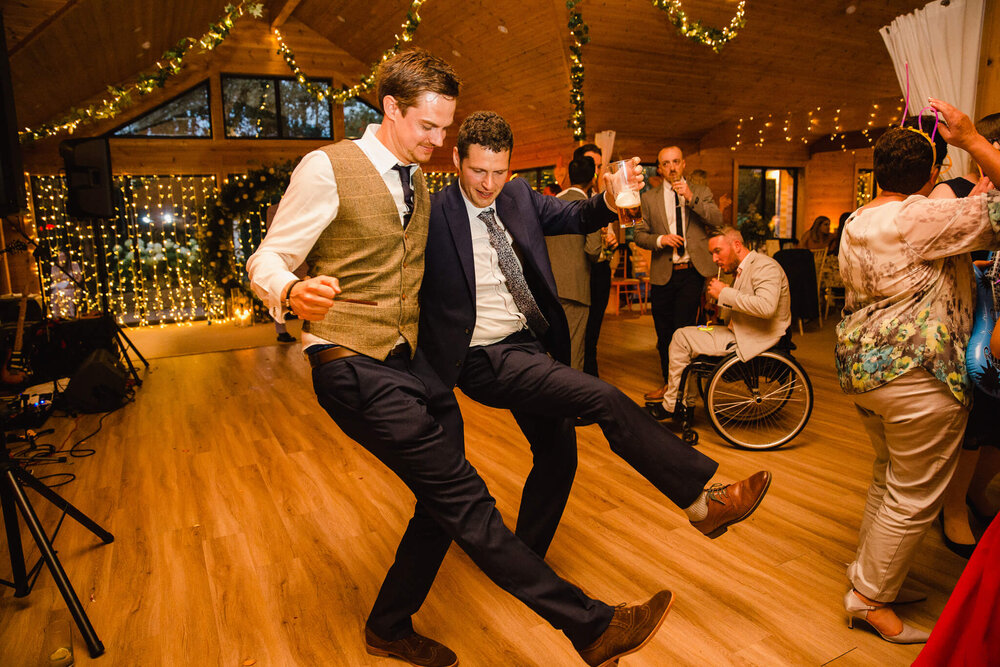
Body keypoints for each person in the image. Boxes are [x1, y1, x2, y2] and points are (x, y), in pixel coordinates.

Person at [247, 50, 672, 667]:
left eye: (445, 128)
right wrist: (289, 289)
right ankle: (594, 627)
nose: (438, 139)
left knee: (439, 504)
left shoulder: (419, 179)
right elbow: (268, 257)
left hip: (410, 367)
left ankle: (389, 626)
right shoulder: (328, 167)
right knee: (466, 498)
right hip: (351, 361)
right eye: (428, 125)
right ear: (391, 109)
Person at [419, 111, 772, 568]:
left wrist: (608, 195)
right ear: (456, 160)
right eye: (478, 171)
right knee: (603, 397)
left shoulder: (518, 195)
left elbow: (577, 214)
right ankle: (701, 503)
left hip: (528, 344)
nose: (489, 184)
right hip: (481, 356)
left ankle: (523, 559)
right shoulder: (432, 213)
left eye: (500, 171)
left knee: (558, 453)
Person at [835, 99, 1000, 644]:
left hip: (864, 374)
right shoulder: (921, 216)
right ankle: (870, 599)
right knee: (913, 494)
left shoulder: (857, 218)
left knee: (888, 480)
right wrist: (975, 142)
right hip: (916, 376)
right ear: (930, 176)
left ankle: (870, 579)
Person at [927, 112, 1000, 558]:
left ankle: (977, 493)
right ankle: (952, 508)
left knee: (997, 427)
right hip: (965, 321)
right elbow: (932, 248)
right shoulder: (950, 190)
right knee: (974, 420)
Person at [648, 226, 791, 421]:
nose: (714, 259)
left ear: (737, 245)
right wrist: (716, 303)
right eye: (712, 253)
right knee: (686, 332)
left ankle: (674, 406)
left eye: (717, 251)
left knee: (681, 337)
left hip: (756, 338)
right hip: (742, 330)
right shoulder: (744, 269)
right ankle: (682, 404)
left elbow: (766, 307)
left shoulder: (765, 266)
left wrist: (724, 293)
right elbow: (742, 306)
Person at [635, 146, 723, 404]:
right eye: (666, 163)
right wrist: (661, 239)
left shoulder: (702, 192)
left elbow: (717, 220)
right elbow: (639, 234)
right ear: (659, 169)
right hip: (663, 273)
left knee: (683, 331)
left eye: (675, 162)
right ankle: (669, 385)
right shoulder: (648, 199)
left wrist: (692, 197)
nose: (671, 167)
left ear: (683, 164)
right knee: (663, 334)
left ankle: (685, 389)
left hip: (692, 272)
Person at [547, 155, 602, 370]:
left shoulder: (551, 202)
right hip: (575, 288)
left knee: (550, 349)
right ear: (593, 179)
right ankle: (570, 401)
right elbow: (593, 249)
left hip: (548, 286)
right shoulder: (589, 206)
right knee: (573, 352)